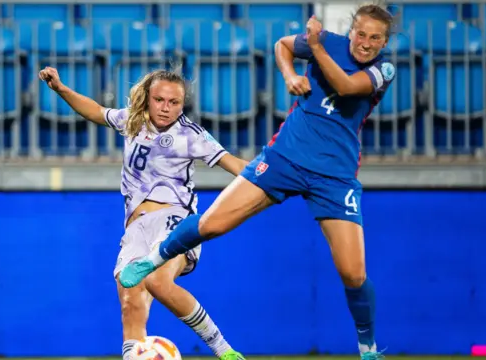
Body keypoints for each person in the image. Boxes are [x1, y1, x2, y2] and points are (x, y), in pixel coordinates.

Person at [118, 4, 396, 360]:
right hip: (284, 157)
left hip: (335, 175)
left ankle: (368, 349)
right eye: (361, 33)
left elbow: (344, 86)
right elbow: (282, 45)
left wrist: (316, 47)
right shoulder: (326, 40)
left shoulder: (381, 69)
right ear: (352, 29)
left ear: (385, 42)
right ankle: (152, 259)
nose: (366, 43)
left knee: (353, 274)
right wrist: (289, 75)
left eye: (375, 38)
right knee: (212, 223)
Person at [39, 67, 248, 360]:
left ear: (182, 103)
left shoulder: (191, 135)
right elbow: (97, 112)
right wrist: (61, 89)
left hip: (173, 219)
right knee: (130, 298)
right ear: (148, 98)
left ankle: (224, 351)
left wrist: (269, 173)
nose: (165, 108)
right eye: (159, 99)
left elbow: (235, 165)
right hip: (136, 226)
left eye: (173, 102)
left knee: (158, 282)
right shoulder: (133, 121)